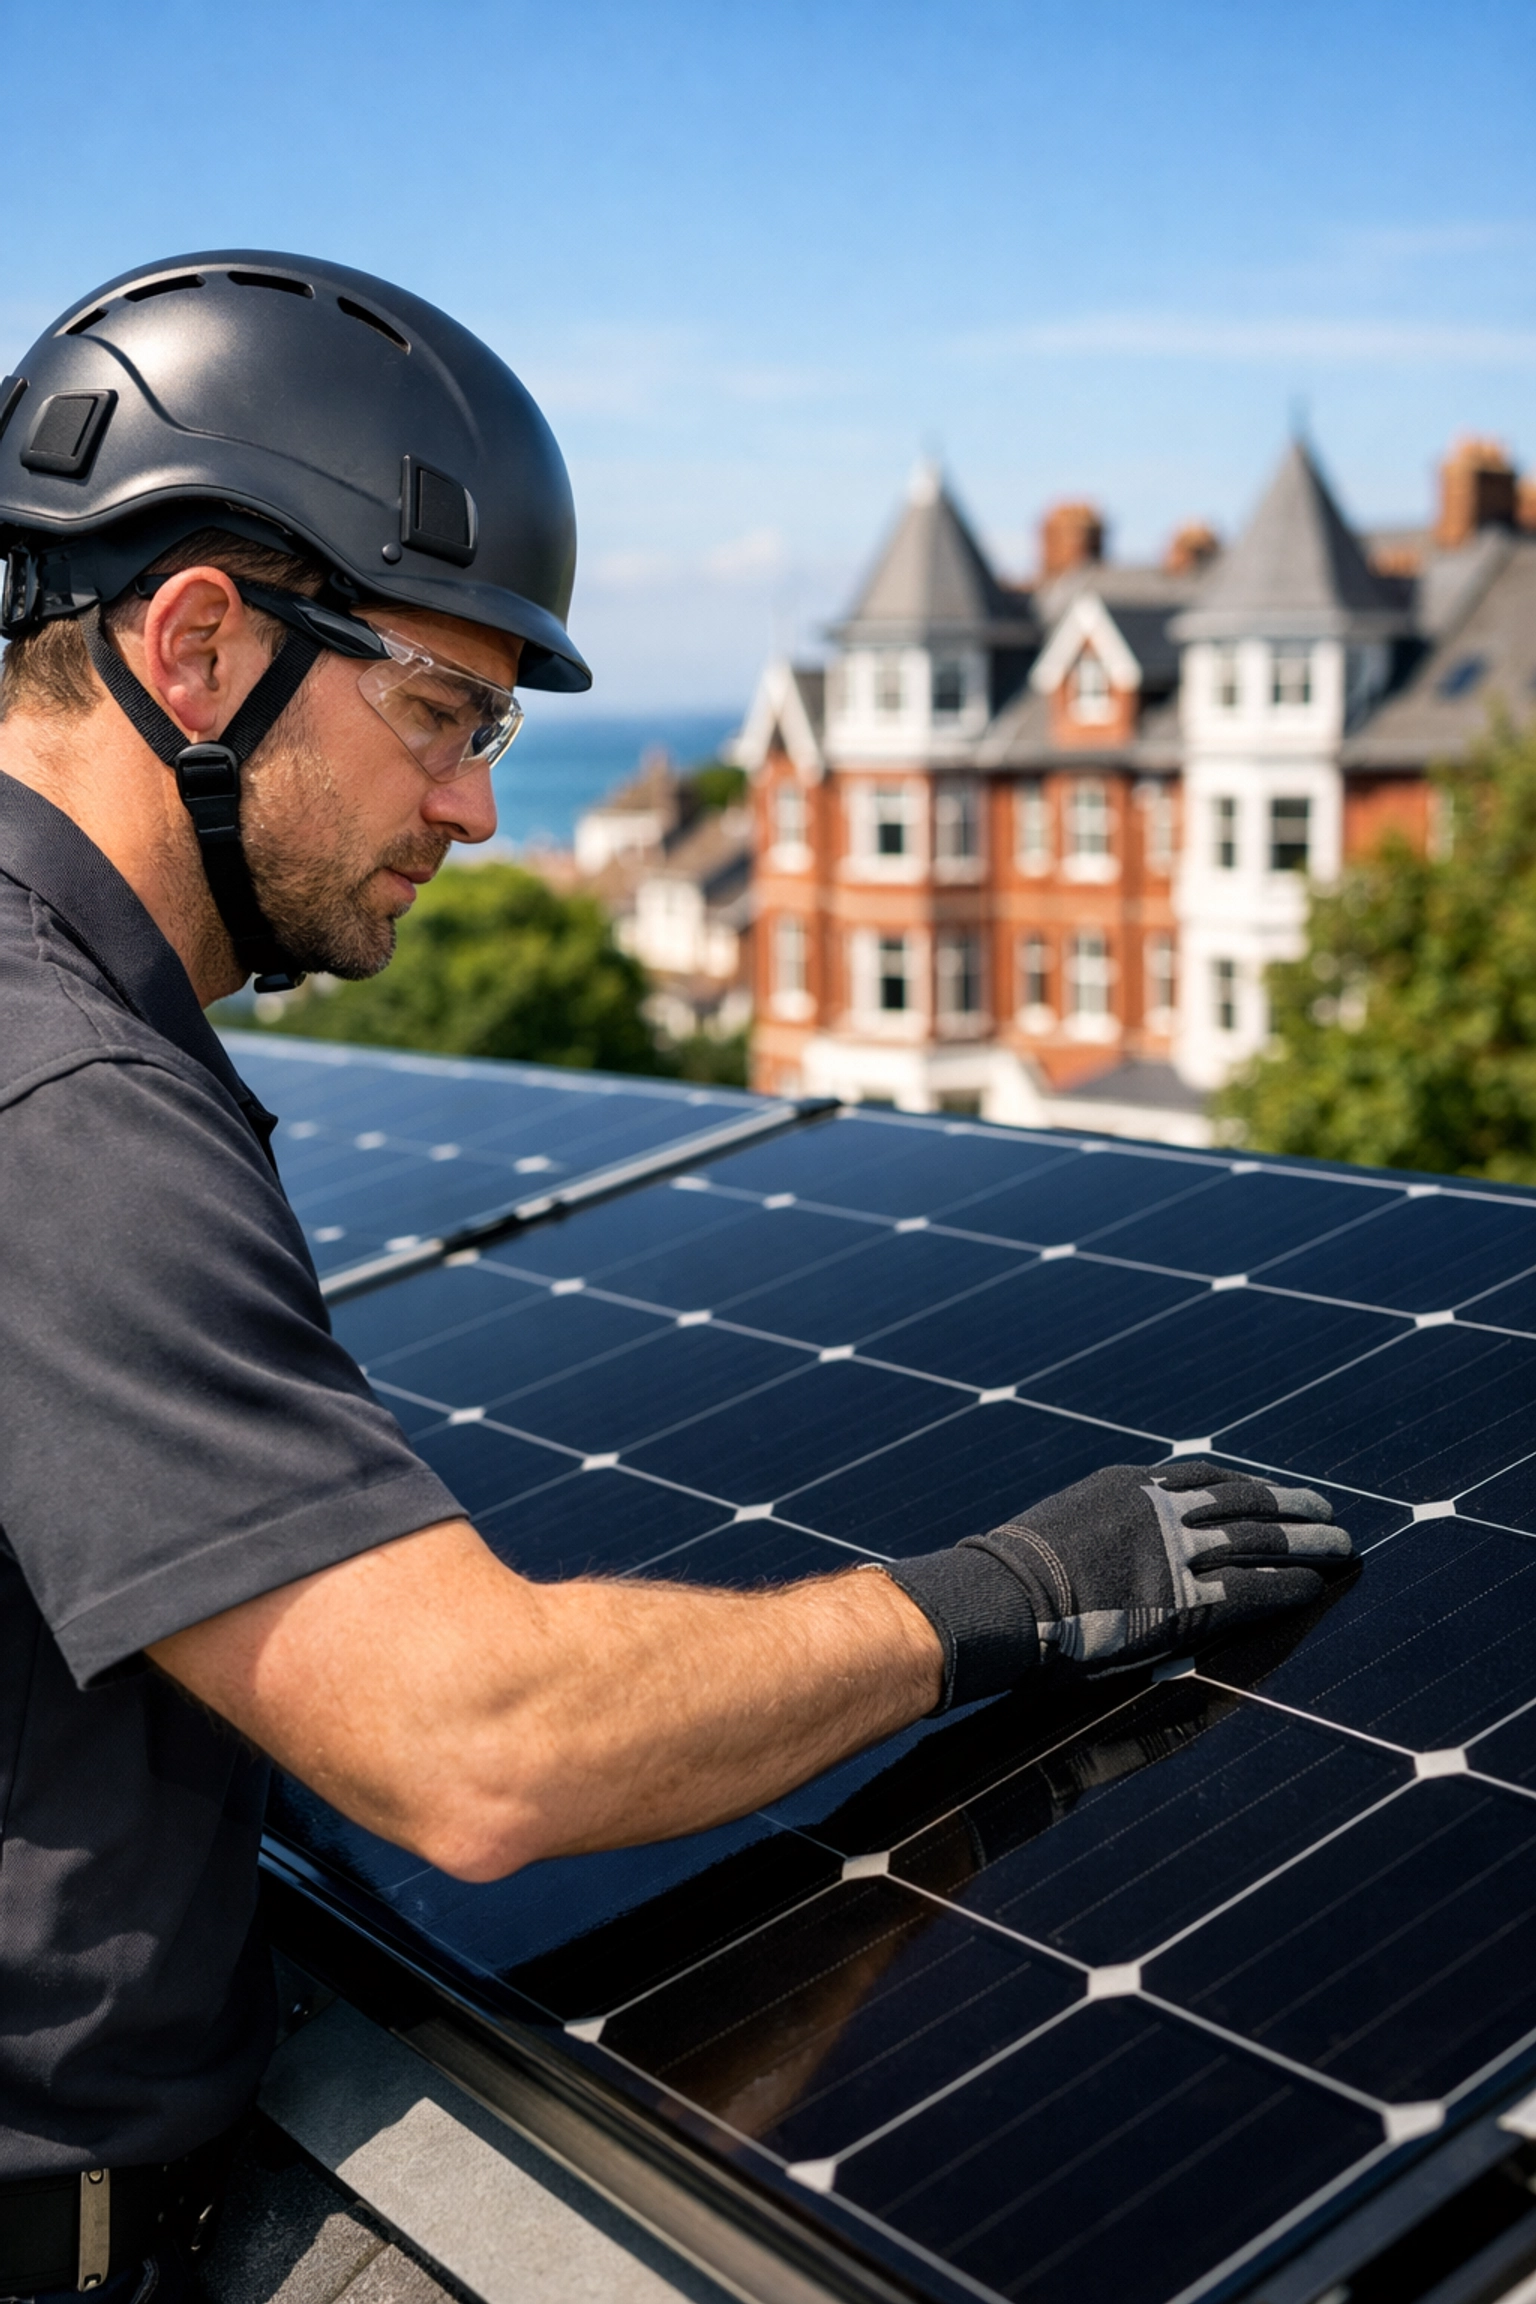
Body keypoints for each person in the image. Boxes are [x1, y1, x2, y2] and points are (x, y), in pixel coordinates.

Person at [0, 251, 1353, 2301]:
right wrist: (1010, 1595)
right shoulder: (65, 1101)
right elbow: (480, 1748)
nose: (474, 806)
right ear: (198, 648)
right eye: (444, 711)